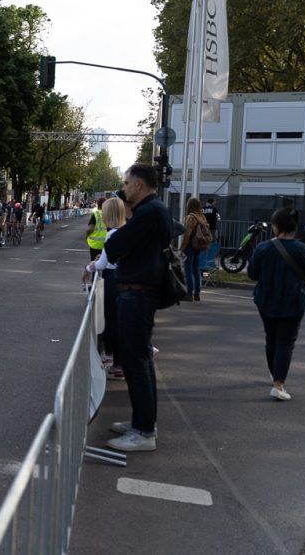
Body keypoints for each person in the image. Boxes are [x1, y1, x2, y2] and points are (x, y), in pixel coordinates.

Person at [102, 163, 173, 452]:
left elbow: (114, 245)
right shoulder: (154, 210)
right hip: (139, 292)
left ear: (140, 184)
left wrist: (124, 231)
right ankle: (142, 423)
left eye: (128, 183)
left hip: (138, 293)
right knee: (139, 360)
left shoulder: (147, 213)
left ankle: (144, 431)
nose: (125, 187)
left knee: (136, 362)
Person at [247, 207, 305, 401]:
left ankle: (274, 373)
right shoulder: (304, 250)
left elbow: (252, 274)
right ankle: (279, 383)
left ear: (275, 227)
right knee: (286, 342)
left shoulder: (263, 248)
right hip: (294, 301)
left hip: (266, 300)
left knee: (271, 338)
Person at [84, 197, 127, 380]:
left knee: (112, 320)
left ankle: (117, 364)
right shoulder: (124, 231)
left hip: (112, 279)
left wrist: (88, 268)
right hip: (122, 279)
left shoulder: (112, 234)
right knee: (116, 321)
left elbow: (102, 264)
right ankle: (115, 359)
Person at [179, 197, 210, 301]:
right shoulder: (202, 216)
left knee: (188, 270)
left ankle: (189, 294)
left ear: (189, 205)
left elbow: (187, 235)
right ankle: (197, 294)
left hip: (190, 246)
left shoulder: (190, 217)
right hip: (198, 245)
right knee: (196, 270)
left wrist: (181, 249)